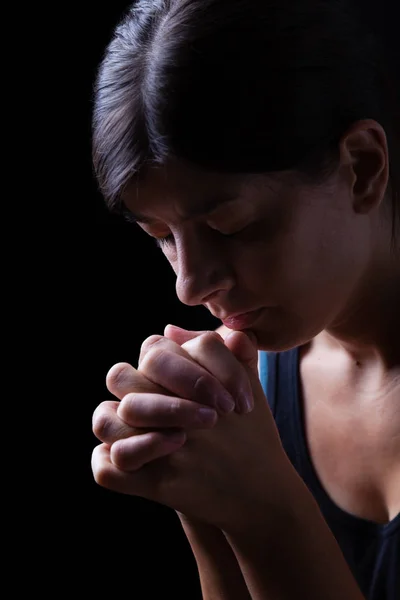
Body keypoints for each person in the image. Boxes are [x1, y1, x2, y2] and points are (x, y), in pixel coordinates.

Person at [90, 1, 399, 598]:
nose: (190, 284)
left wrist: (267, 513)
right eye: (161, 238)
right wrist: (204, 497)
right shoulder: (251, 391)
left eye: (231, 227)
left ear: (361, 168)